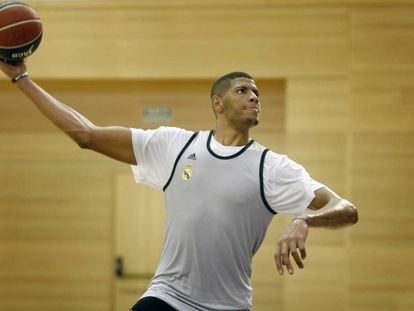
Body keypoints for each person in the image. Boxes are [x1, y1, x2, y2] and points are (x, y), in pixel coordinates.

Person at [0, 60, 358, 311]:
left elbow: (347, 210)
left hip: (228, 305)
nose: (254, 97)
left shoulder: (273, 167)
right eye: (243, 90)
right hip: (168, 297)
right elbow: (86, 135)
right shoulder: (176, 146)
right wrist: (21, 79)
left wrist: (305, 220)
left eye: (257, 93)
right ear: (217, 103)